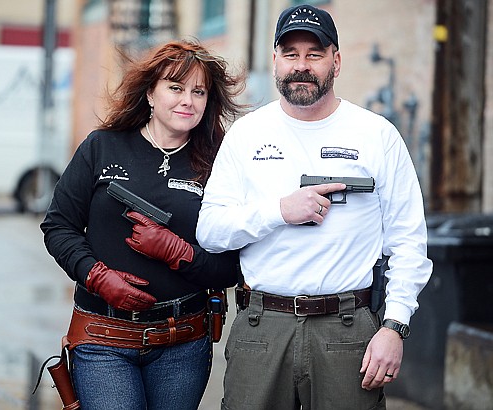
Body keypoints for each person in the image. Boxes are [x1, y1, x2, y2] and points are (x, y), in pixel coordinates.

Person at [196, 5, 433, 410]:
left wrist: (394, 326)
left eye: (314, 54)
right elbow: (211, 231)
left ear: (336, 61)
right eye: (290, 54)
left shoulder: (377, 135)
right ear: (275, 60)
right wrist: (279, 210)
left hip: (347, 329)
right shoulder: (247, 134)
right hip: (261, 328)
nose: (301, 66)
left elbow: (409, 241)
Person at [40, 39, 246, 410]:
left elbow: (231, 266)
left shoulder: (219, 164)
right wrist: (96, 276)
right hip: (103, 336)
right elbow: (58, 227)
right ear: (150, 93)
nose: (188, 100)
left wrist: (178, 253)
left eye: (198, 92)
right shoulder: (102, 147)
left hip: (181, 342)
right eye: (176, 87)